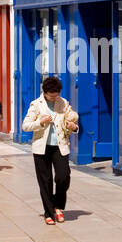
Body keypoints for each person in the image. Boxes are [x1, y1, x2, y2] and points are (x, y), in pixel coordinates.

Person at [22, 75, 79, 225]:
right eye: (51, 96)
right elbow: (25, 125)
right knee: (45, 181)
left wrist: (74, 126)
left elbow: (72, 117)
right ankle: (49, 212)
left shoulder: (63, 102)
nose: (54, 98)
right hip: (41, 147)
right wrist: (40, 122)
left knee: (63, 176)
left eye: (57, 95)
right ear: (45, 93)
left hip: (60, 146)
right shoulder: (36, 104)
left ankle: (58, 205)